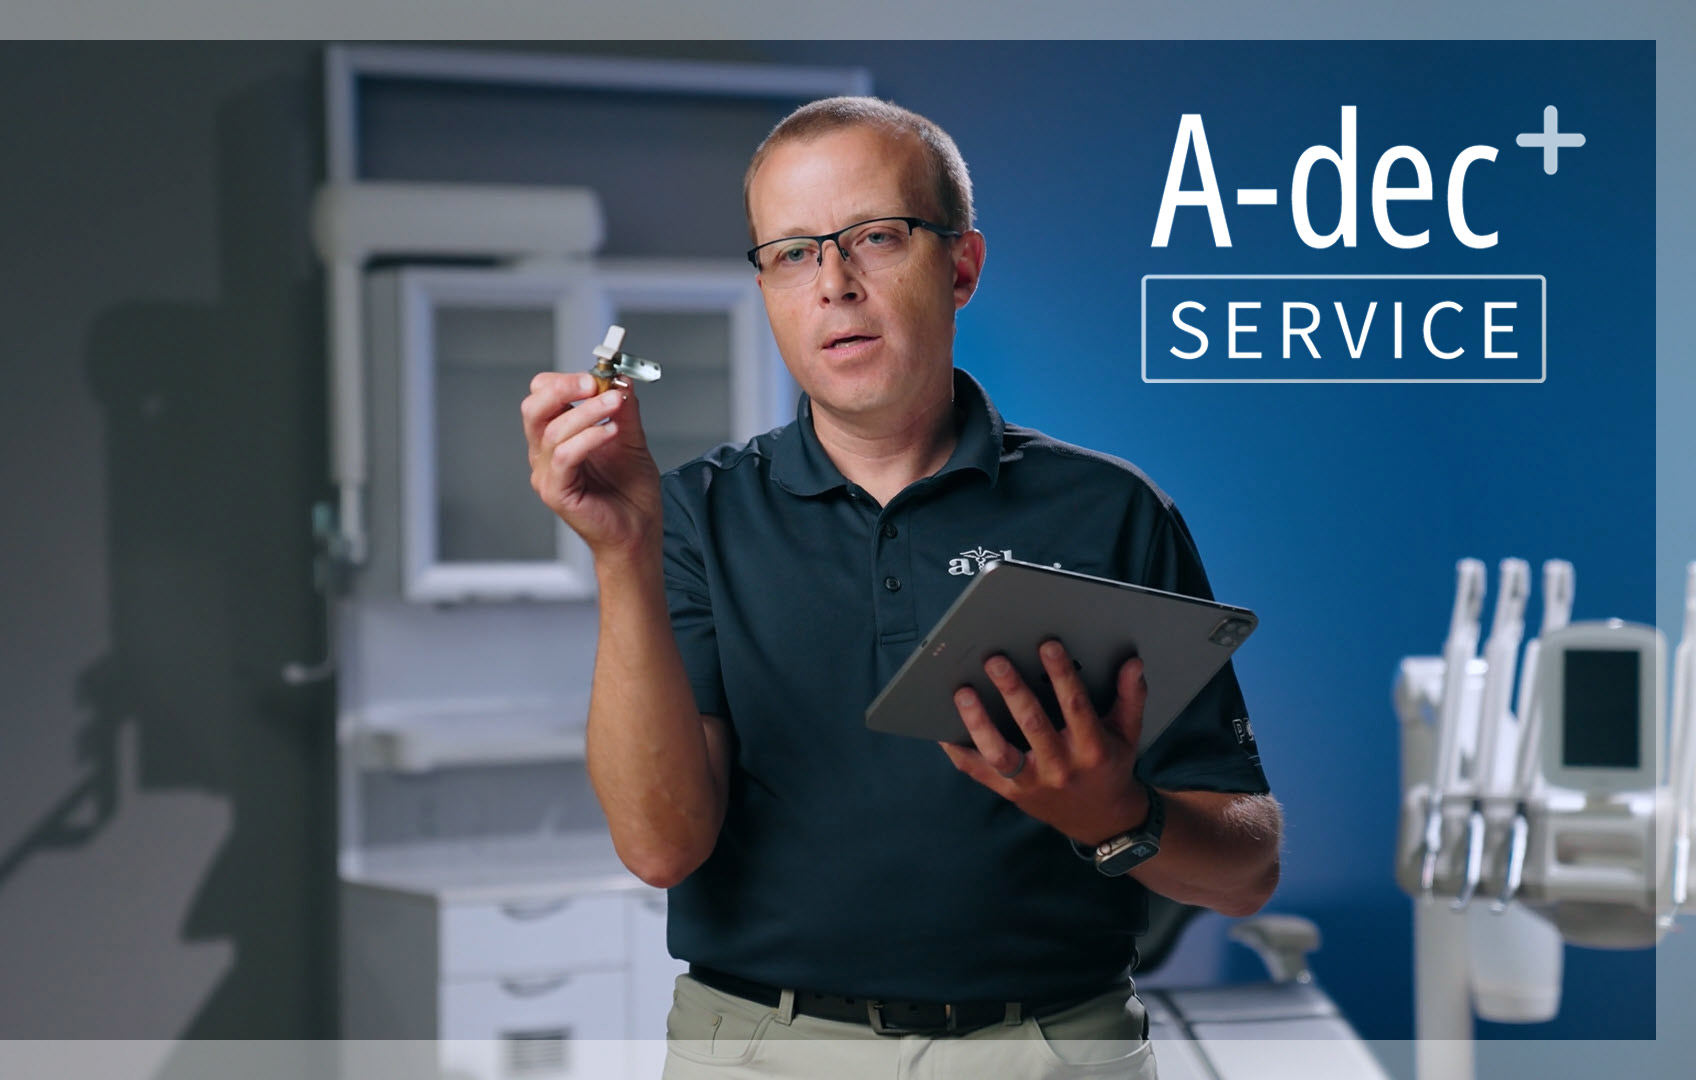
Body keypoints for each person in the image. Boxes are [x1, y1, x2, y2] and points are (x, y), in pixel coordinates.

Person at [521, 96, 1281, 1079]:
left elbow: (1247, 868)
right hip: (760, 1053)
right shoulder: (692, 518)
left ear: (960, 266)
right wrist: (622, 552)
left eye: (876, 237)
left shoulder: (1113, 514)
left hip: (1053, 1050)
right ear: (767, 288)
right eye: (792, 253)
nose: (834, 284)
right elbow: (661, 848)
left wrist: (1118, 816)